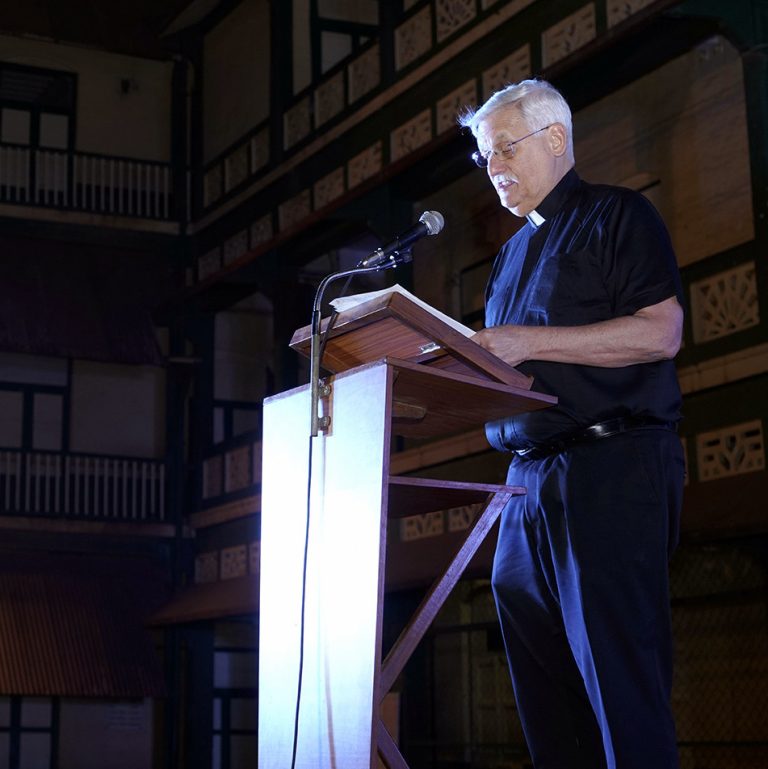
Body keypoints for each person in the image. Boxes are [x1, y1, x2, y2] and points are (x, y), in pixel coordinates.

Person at [459, 79, 685, 769]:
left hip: (608, 467)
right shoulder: (508, 257)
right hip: (524, 485)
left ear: (555, 138)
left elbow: (662, 332)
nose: (494, 169)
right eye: (484, 158)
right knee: (546, 698)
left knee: (618, 682)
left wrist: (526, 341)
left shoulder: (620, 215)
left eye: (503, 149)